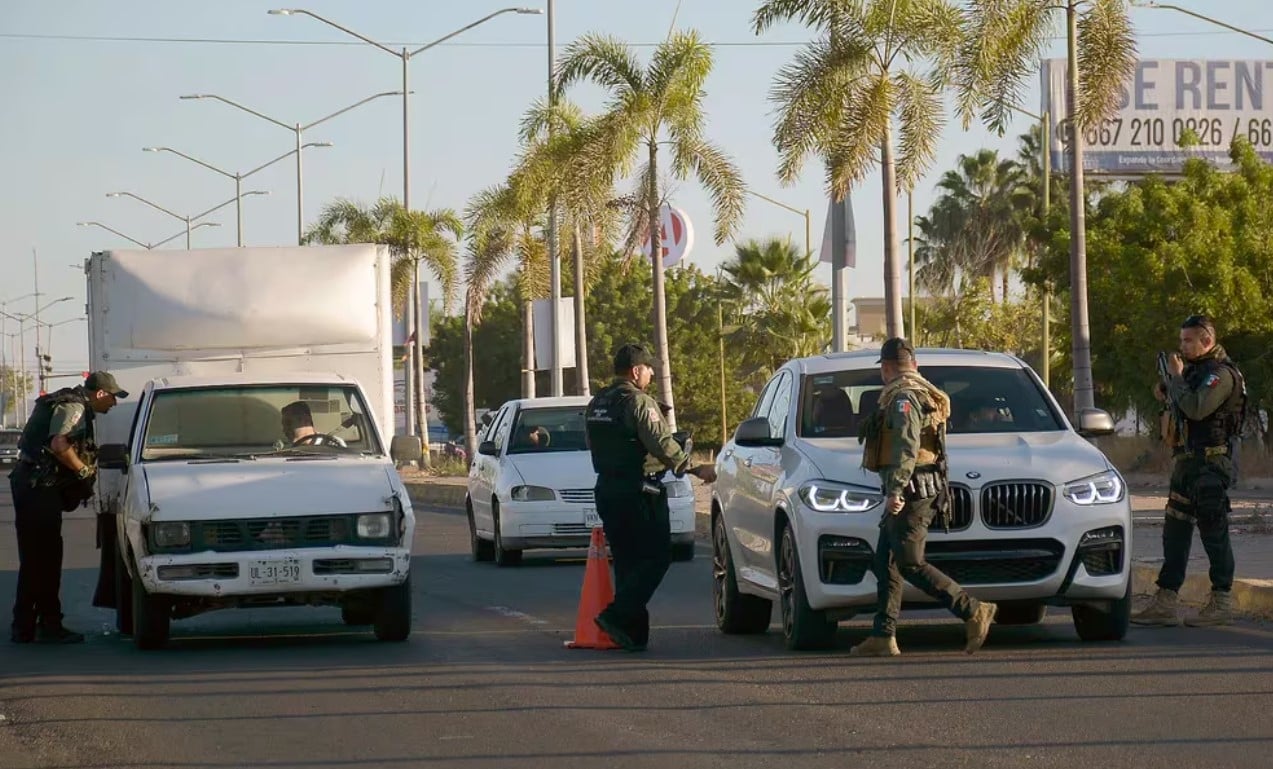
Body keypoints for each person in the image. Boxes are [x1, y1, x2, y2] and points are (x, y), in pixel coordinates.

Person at [852, 338, 997, 657]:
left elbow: (906, 446)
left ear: (886, 369)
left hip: (913, 489)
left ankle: (972, 610)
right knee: (885, 561)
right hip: (920, 486)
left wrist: (895, 490)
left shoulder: (903, 397)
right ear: (914, 366)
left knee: (910, 562)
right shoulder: (921, 390)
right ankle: (883, 634)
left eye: (884, 368)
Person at [584, 343, 716, 651]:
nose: (652, 373)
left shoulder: (598, 402)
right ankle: (617, 616)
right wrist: (695, 467)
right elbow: (661, 444)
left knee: (629, 562)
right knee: (657, 557)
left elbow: (593, 444)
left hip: (607, 489)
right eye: (648, 368)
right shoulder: (639, 402)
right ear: (635, 371)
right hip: (639, 491)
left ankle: (632, 634)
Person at [1133, 314, 1247, 627]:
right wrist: (1167, 388)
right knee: (1175, 531)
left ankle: (1222, 601)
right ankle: (1166, 600)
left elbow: (1197, 407)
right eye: (1181, 339)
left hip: (1211, 464)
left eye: (1188, 340)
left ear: (1206, 341)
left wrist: (1177, 380)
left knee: (1213, 530)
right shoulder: (1195, 373)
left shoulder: (1220, 375)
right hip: (1186, 462)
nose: (1181, 346)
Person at [10, 371, 126, 644]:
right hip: (39, 489)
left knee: (40, 559)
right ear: (99, 393)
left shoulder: (70, 402)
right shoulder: (74, 406)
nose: (113, 403)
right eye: (112, 397)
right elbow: (59, 444)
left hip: (33, 487)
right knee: (44, 559)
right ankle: (40, 625)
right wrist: (84, 470)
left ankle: (30, 625)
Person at [280, 401, 346, 448]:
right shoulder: (285, 450)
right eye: (284, 425)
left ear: (306, 420)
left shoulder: (333, 444)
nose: (284, 430)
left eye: (288, 423)